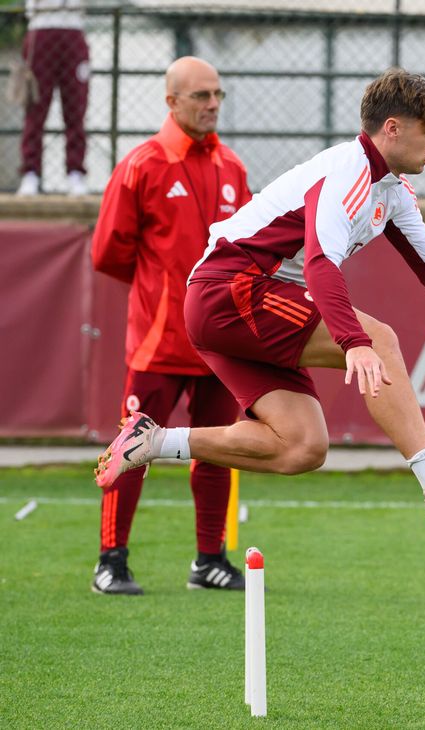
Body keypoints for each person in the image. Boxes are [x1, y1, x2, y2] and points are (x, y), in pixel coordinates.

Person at [95, 68, 425, 530]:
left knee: (302, 447)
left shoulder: (393, 189)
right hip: (231, 290)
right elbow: (321, 264)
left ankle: (154, 441)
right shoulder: (347, 172)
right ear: (393, 128)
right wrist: (354, 341)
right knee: (379, 339)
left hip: (236, 302)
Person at [90, 57, 251, 595]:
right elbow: (108, 253)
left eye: (218, 94)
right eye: (201, 95)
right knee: (131, 450)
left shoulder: (232, 167)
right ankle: (111, 562)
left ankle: (210, 560)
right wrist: (161, 297)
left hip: (219, 346)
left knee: (219, 448)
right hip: (158, 346)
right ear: (171, 102)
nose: (212, 105)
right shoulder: (142, 164)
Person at [16, 0, 90, 197]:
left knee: (76, 107)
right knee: (35, 108)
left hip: (74, 25)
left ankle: (75, 171)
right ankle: (30, 172)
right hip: (41, 24)